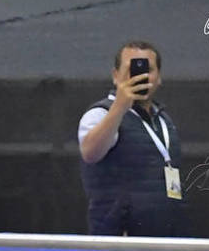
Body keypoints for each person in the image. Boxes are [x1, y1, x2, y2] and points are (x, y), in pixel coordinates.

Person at [78, 40, 187, 236]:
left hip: (166, 235)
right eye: (132, 69)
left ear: (159, 77)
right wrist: (120, 106)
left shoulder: (163, 120)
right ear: (115, 76)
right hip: (121, 238)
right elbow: (90, 153)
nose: (140, 76)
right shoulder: (101, 113)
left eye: (147, 69)